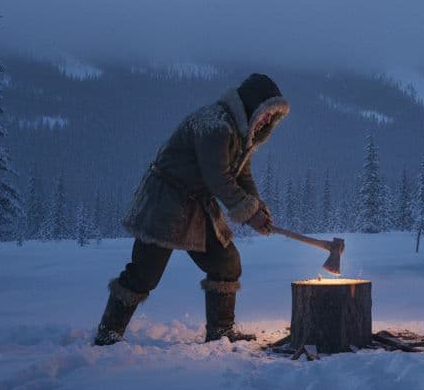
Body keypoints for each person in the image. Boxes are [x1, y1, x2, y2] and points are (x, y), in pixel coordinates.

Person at [93, 73, 288, 346]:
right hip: (166, 202)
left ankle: (221, 332)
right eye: (266, 113)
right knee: (145, 272)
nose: (268, 120)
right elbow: (218, 177)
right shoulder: (215, 125)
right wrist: (248, 211)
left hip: (197, 204)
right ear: (252, 106)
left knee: (226, 262)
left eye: (272, 116)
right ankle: (109, 332)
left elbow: (242, 175)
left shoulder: (241, 132)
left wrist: (257, 207)